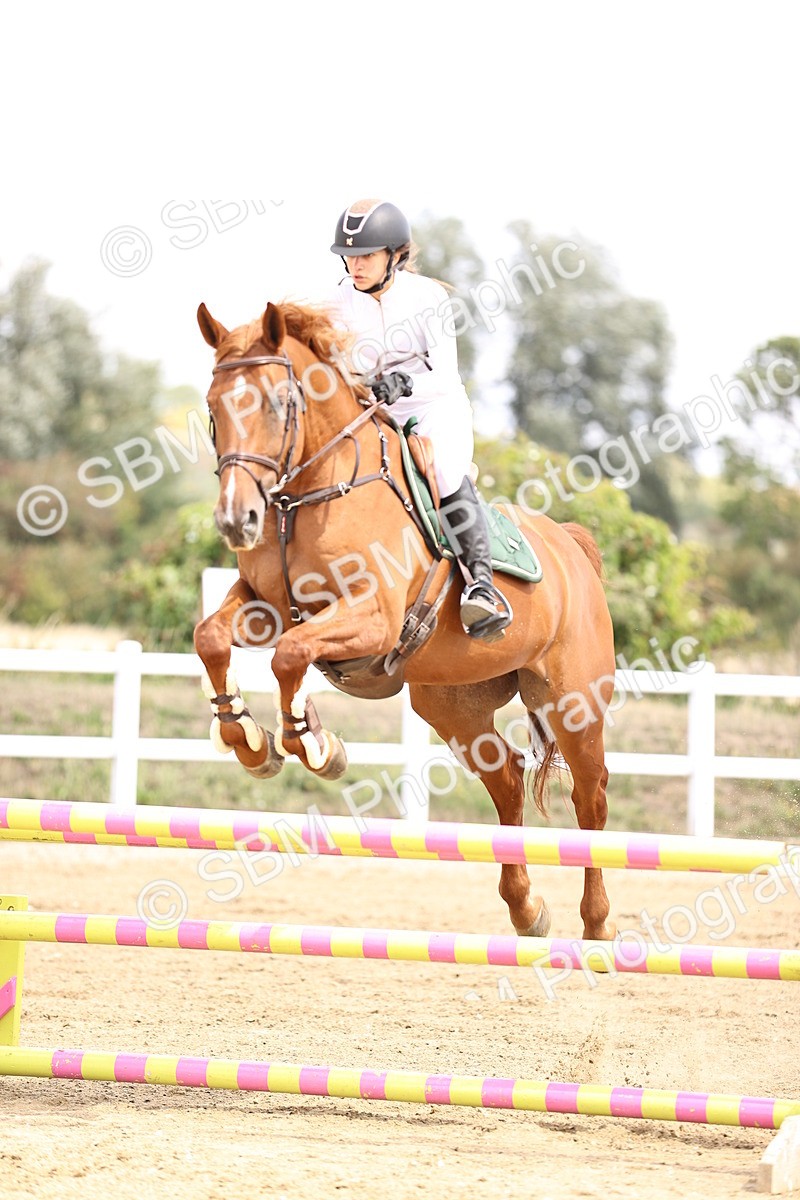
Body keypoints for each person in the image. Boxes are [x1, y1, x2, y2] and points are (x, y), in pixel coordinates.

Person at [328, 198, 512, 643]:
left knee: (446, 474)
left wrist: (403, 384)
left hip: (434, 407)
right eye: (350, 256)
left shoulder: (427, 297)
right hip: (374, 412)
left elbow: (445, 373)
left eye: (367, 255)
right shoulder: (336, 302)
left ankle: (482, 587)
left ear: (394, 255)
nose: (356, 265)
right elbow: (335, 367)